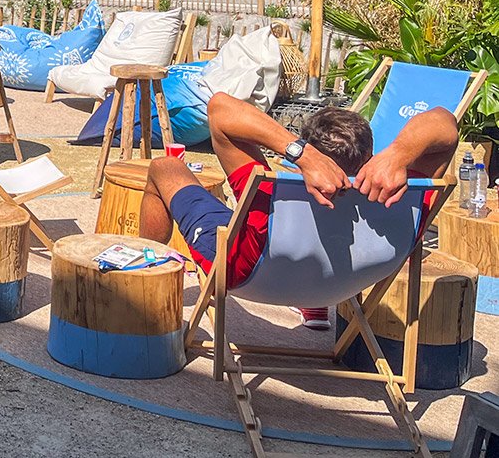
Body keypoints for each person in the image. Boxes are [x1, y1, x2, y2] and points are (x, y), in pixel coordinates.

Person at [139, 93, 458, 330]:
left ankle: (141, 294)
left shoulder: (270, 192)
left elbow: (220, 108)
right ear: (369, 155)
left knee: (165, 168)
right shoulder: (406, 198)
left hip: (249, 272)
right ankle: (312, 306)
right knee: (306, 239)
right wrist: (399, 156)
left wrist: (302, 156)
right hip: (348, 281)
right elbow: (445, 122)